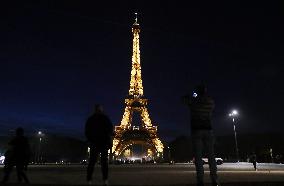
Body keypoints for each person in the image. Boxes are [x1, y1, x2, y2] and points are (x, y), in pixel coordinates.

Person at [183, 84, 220, 186]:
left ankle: (200, 180)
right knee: (211, 156)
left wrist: (192, 97)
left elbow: (185, 101)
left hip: (196, 130)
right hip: (208, 129)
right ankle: (215, 179)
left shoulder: (194, 101)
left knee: (198, 157)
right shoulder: (210, 101)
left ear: (198, 91)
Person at [85, 104, 113, 186]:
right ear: (101, 110)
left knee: (92, 162)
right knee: (104, 163)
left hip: (94, 142)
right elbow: (110, 130)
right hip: (103, 143)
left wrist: (90, 140)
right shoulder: (105, 118)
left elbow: (87, 131)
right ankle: (105, 180)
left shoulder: (90, 119)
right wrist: (109, 141)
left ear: (95, 110)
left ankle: (89, 180)